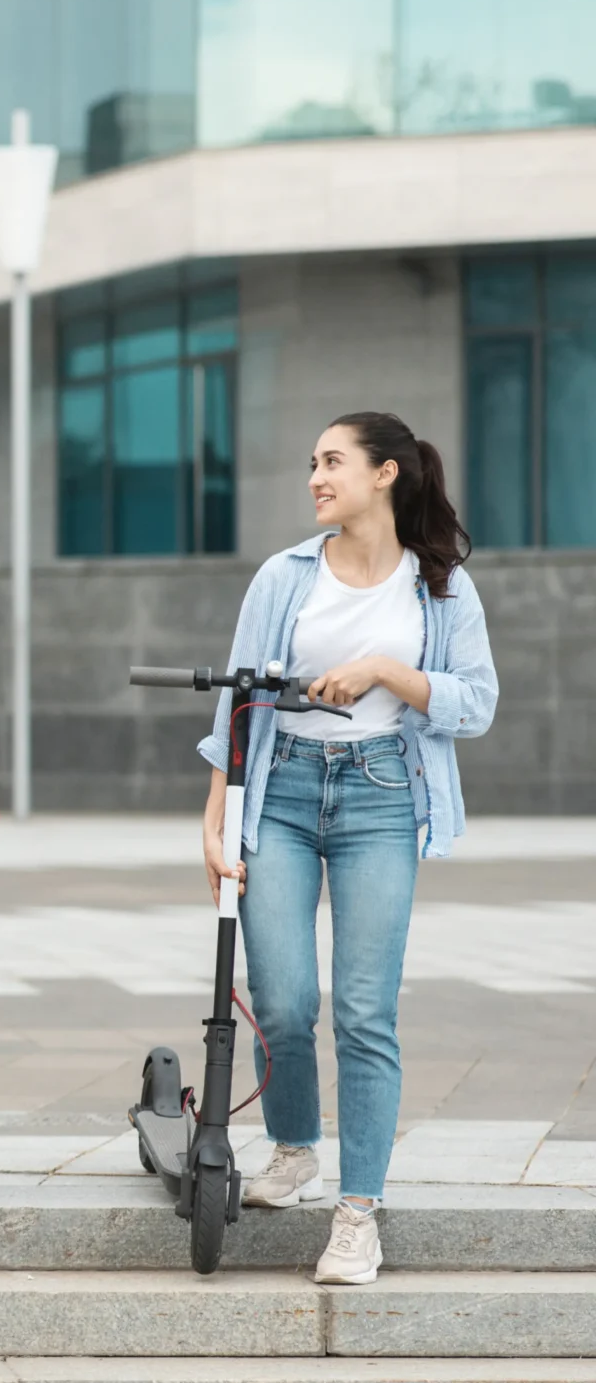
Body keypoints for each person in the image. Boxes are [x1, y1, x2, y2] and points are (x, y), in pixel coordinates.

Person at [205, 412, 496, 1286]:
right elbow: (239, 704)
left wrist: (382, 669)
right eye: (311, 462)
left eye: (333, 461)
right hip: (283, 789)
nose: (315, 477)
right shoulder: (284, 576)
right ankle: (294, 1149)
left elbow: (475, 702)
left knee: (367, 1011)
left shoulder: (440, 587)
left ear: (386, 474)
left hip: (380, 795)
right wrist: (214, 818)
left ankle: (358, 1211)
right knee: (285, 1001)